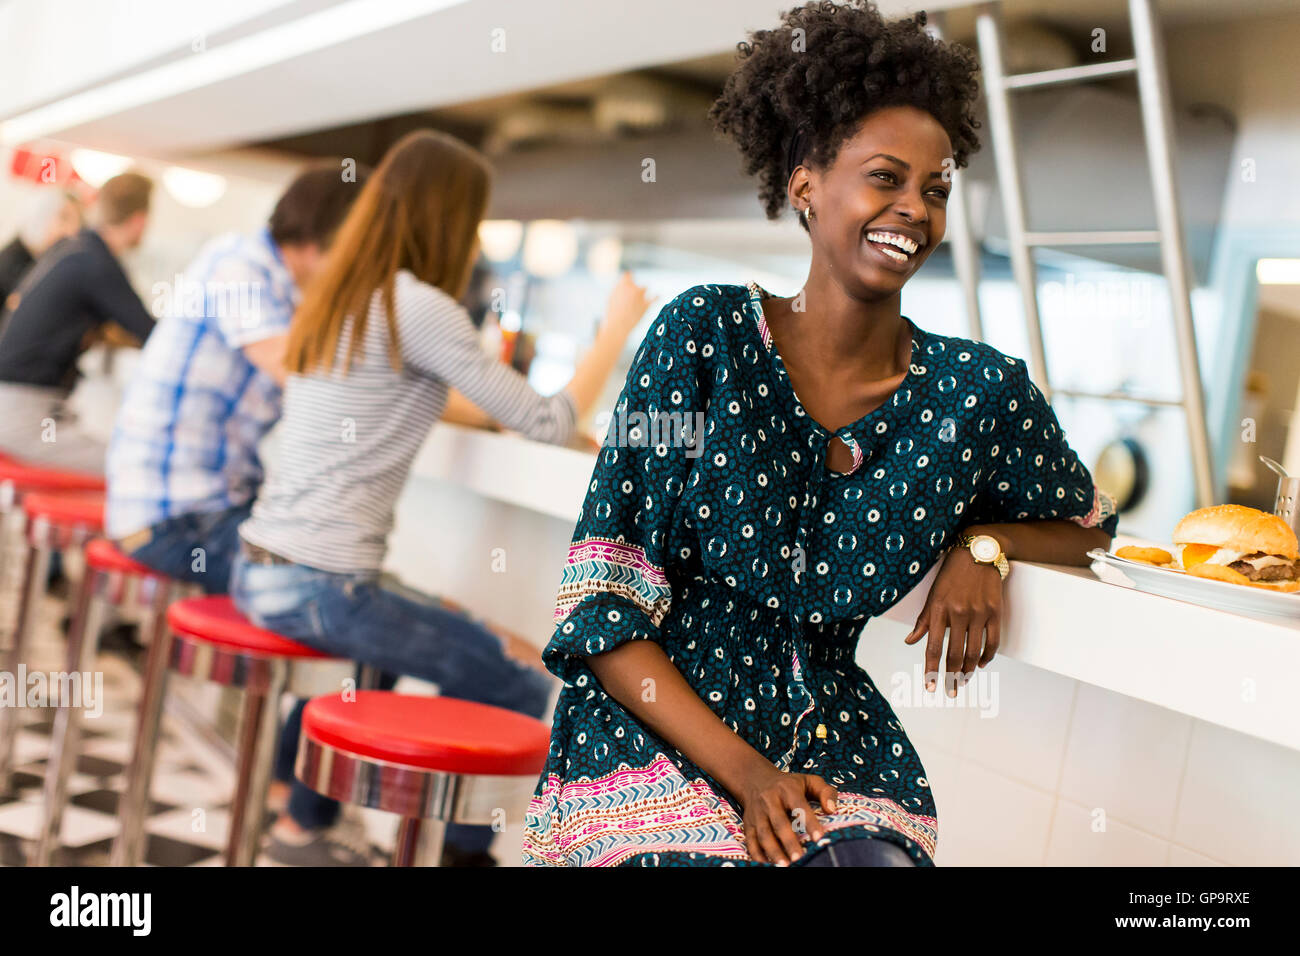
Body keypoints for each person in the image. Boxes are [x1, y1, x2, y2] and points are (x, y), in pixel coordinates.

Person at [522, 0, 1120, 868]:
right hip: (653, 734)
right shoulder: (704, 337)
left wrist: (987, 543)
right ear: (805, 182)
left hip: (837, 749)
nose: (914, 208)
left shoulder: (977, 392)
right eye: (886, 177)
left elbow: (1092, 530)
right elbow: (603, 613)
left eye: (936, 188)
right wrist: (750, 776)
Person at [228, 128, 654, 866]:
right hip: (319, 585)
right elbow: (550, 421)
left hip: (260, 565)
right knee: (521, 675)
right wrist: (617, 329)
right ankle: (461, 855)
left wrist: (507, 411)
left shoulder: (345, 294)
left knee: (388, 650)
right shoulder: (419, 306)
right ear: (454, 218)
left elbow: (427, 398)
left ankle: (304, 823)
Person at [106, 163, 371, 594]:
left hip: (212, 508)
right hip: (173, 520)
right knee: (337, 586)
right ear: (329, 235)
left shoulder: (285, 289)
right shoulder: (240, 265)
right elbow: (303, 374)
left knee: (345, 577)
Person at [0, 171, 155, 471]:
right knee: (131, 468)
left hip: (16, 407)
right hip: (22, 417)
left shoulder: (72, 249)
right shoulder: (97, 262)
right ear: (140, 220)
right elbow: (152, 334)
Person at [0, 189, 83, 312]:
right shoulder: (13, 262)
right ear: (42, 214)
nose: (71, 231)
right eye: (64, 218)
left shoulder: (40, 261)